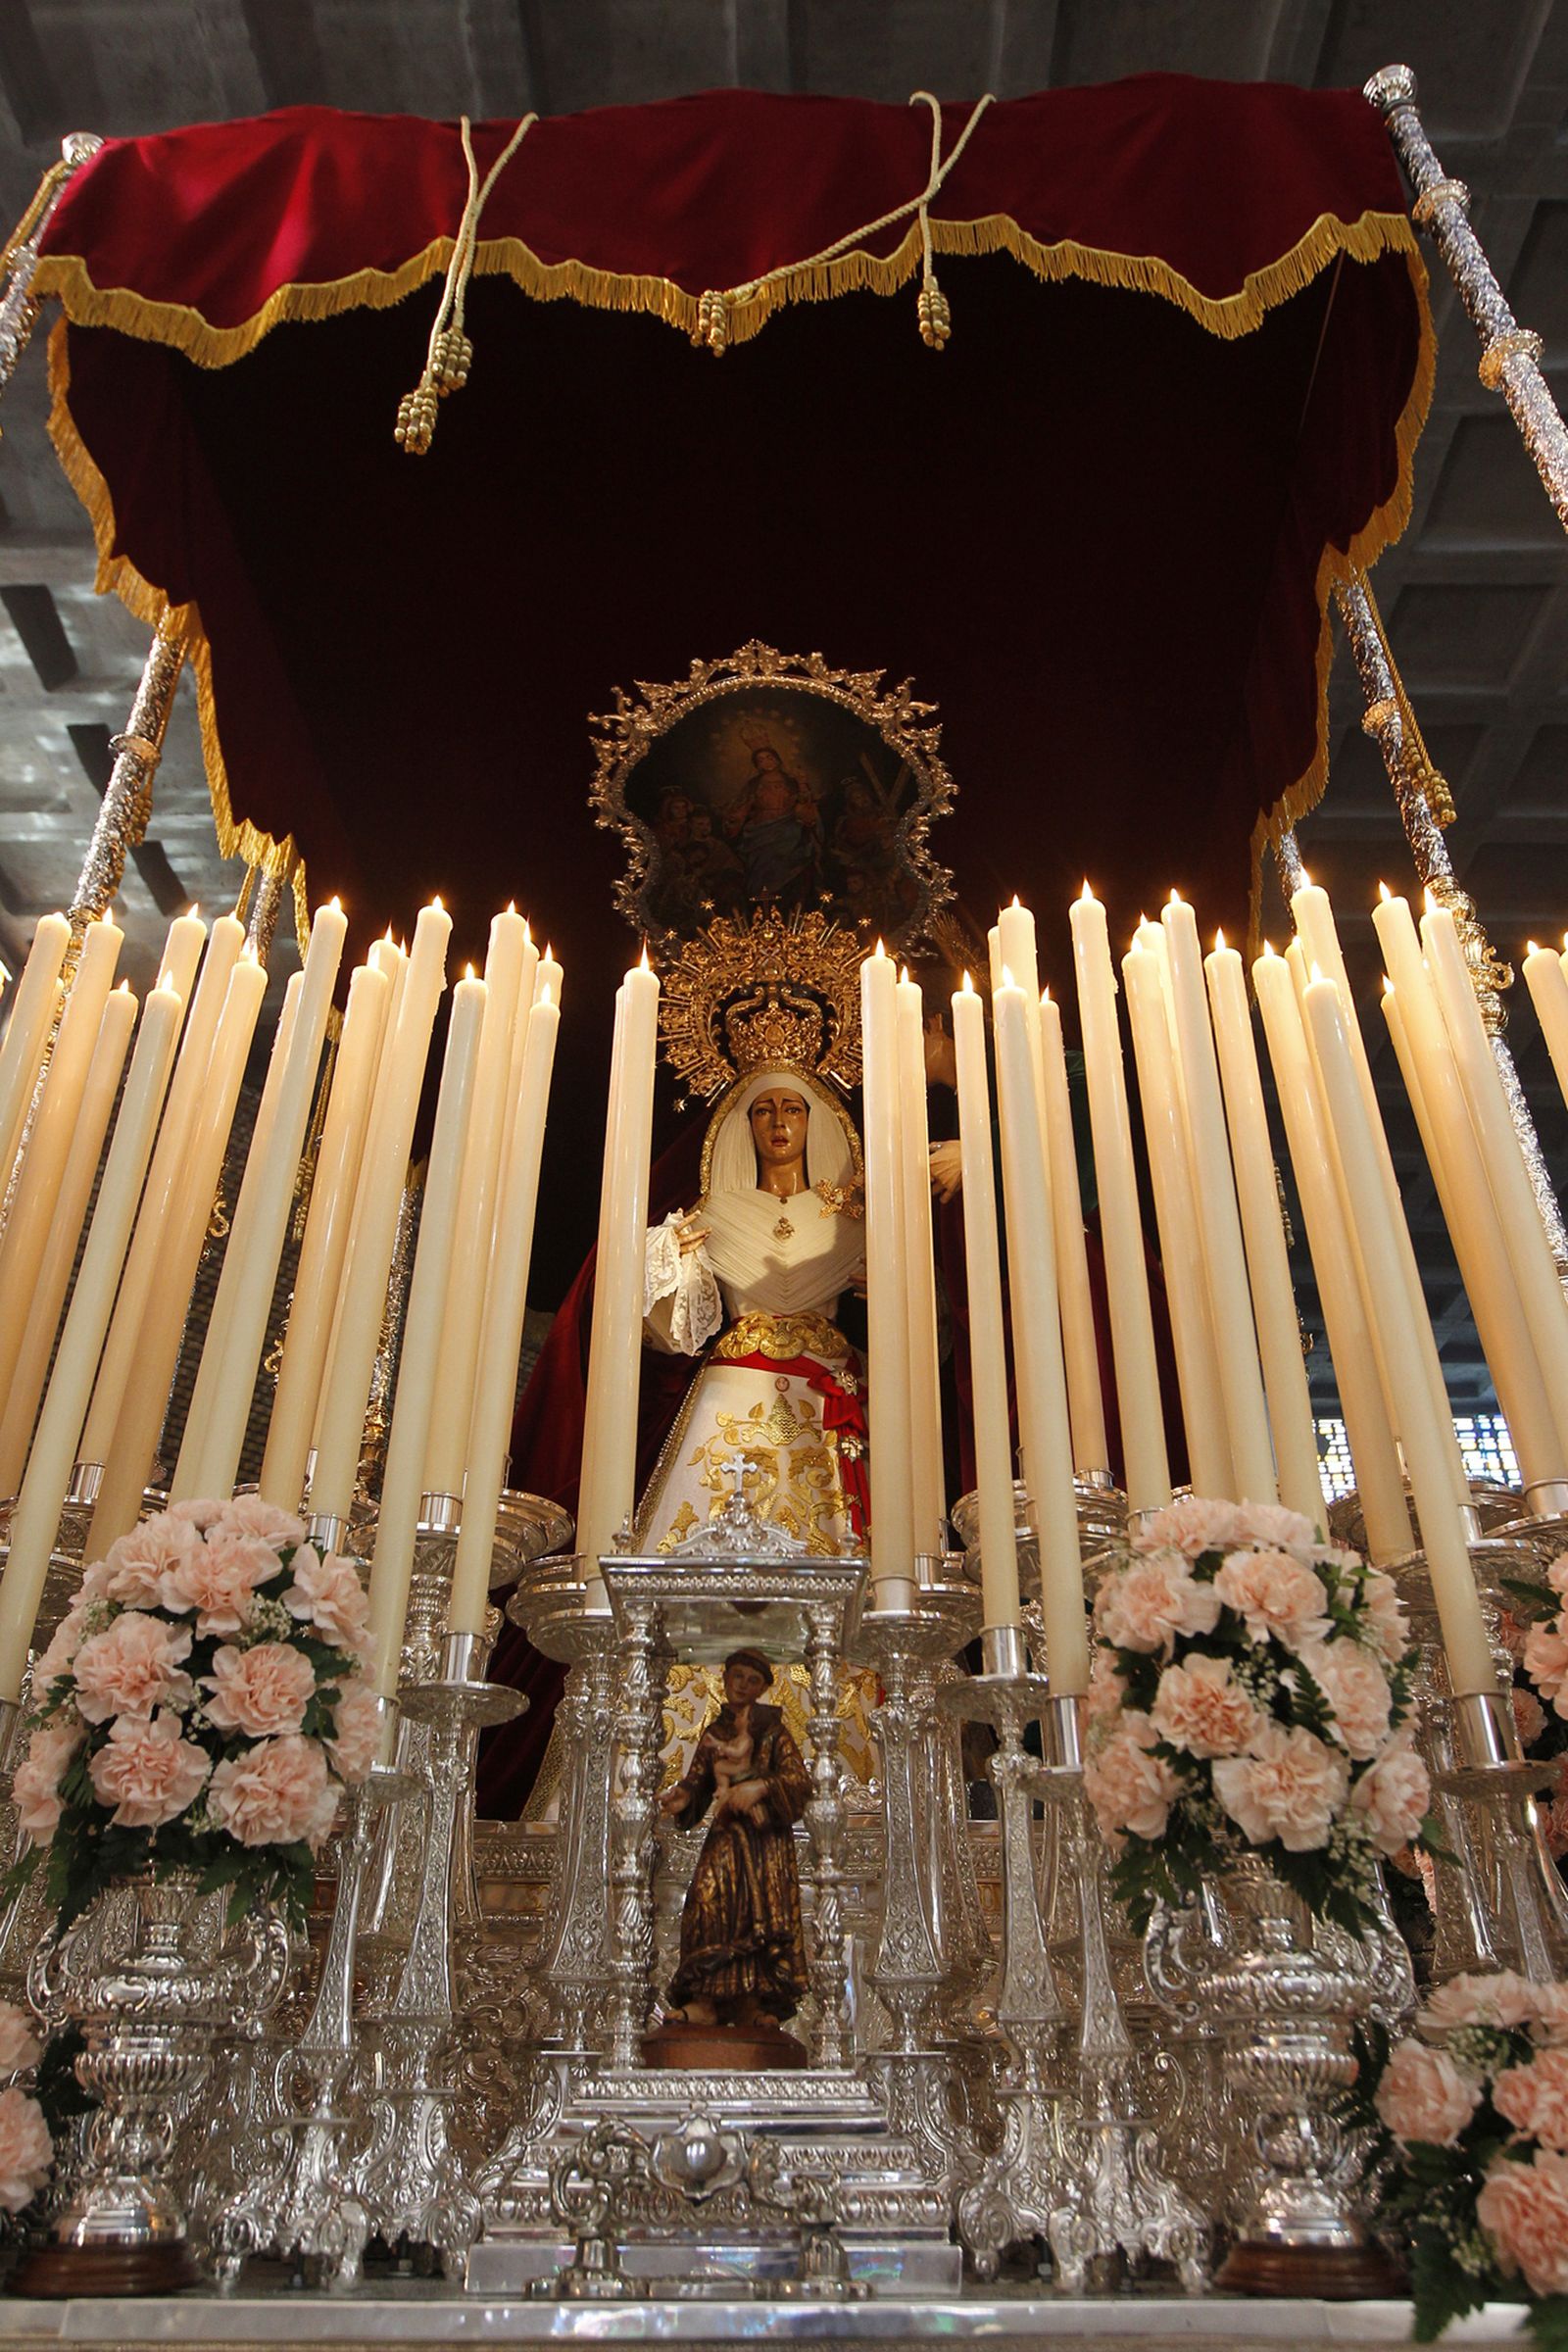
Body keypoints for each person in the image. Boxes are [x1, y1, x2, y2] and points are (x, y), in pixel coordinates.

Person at [639, 1063, 868, 1553]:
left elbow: (918, 1317)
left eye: (791, 1109)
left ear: (813, 1120)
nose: (778, 1123)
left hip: (826, 1384)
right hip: (734, 1382)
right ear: (746, 1125)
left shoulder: (852, 1220)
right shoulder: (715, 1211)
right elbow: (663, 1328)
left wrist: (894, 1287)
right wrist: (667, 1260)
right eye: (763, 1110)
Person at [657, 1646, 810, 2030]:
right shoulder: (716, 1732)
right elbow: (698, 1780)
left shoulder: (774, 1733)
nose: (742, 1685)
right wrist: (683, 1797)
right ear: (725, 1679)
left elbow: (799, 1782)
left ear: (761, 1687)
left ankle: (750, 2006)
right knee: (707, 1899)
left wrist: (761, 1787)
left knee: (759, 1914)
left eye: (752, 1679)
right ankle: (705, 2001)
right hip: (727, 1837)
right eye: (737, 1676)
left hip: (763, 1844)